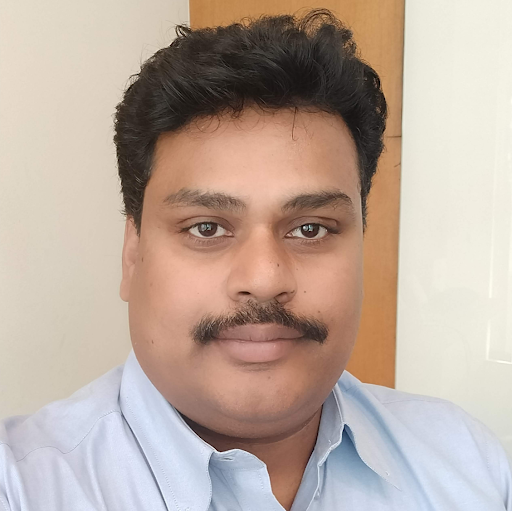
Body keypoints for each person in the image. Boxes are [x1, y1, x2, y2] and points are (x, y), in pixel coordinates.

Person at [0, 8, 510, 511]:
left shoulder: (469, 466)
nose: (265, 278)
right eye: (206, 228)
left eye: (311, 229)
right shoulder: (22, 488)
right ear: (133, 253)